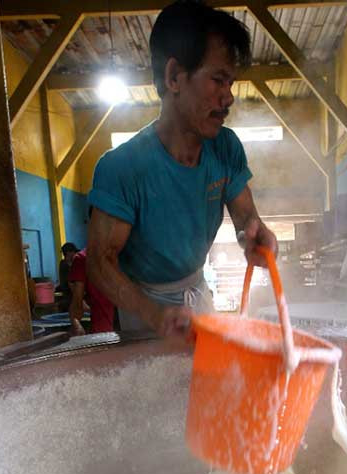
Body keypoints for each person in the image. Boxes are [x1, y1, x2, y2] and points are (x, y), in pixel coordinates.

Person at [87, 0, 277, 342]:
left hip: (198, 293)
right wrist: (153, 314)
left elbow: (247, 220)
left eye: (231, 83)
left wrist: (253, 238)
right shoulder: (122, 168)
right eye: (218, 80)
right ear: (174, 77)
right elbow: (100, 263)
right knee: (155, 392)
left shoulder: (225, 148)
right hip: (141, 308)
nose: (229, 97)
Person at [68, 248, 116, 335]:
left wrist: (75, 322)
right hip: (109, 328)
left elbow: (77, 304)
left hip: (104, 330)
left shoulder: (82, 258)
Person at [57, 242, 79, 307]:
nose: (75, 254)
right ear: (68, 253)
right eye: (74, 252)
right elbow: (70, 283)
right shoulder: (65, 265)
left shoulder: (66, 264)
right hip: (70, 296)